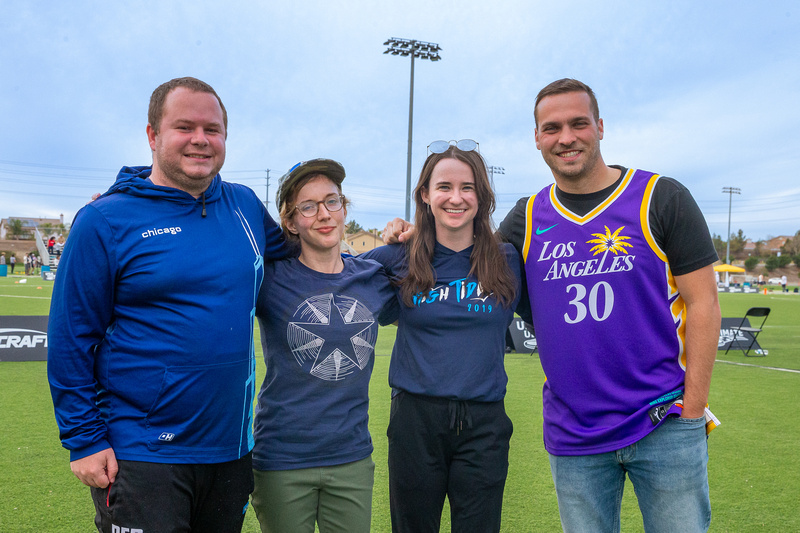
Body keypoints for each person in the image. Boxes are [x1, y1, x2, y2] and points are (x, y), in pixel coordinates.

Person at [384, 81, 721, 533]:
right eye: (552, 127)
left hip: (663, 422)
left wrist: (694, 410)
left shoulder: (662, 197)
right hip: (575, 433)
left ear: (599, 127)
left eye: (578, 123)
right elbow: (462, 251)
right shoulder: (526, 217)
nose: (566, 137)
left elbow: (704, 303)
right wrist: (411, 234)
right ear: (537, 138)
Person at [47, 77, 287, 533]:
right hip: (142, 454)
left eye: (212, 129)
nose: (201, 139)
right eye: (185, 127)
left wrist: (398, 245)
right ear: (153, 136)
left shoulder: (245, 205)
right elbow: (70, 339)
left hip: (231, 451)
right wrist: (83, 440)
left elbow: (305, 255)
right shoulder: (104, 220)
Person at [366, 140, 522, 533]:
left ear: (482, 195)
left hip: (484, 424)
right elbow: (326, 273)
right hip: (415, 422)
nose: (456, 197)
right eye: (444, 187)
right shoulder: (394, 259)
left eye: (467, 187)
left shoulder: (506, 259)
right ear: (425, 194)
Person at [250, 159, 396, 533]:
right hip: (281, 459)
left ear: (344, 207)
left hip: (351, 457)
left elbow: (430, 253)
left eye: (332, 201)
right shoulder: (267, 276)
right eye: (308, 206)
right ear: (290, 220)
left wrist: (406, 231)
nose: (324, 214)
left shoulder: (373, 277)